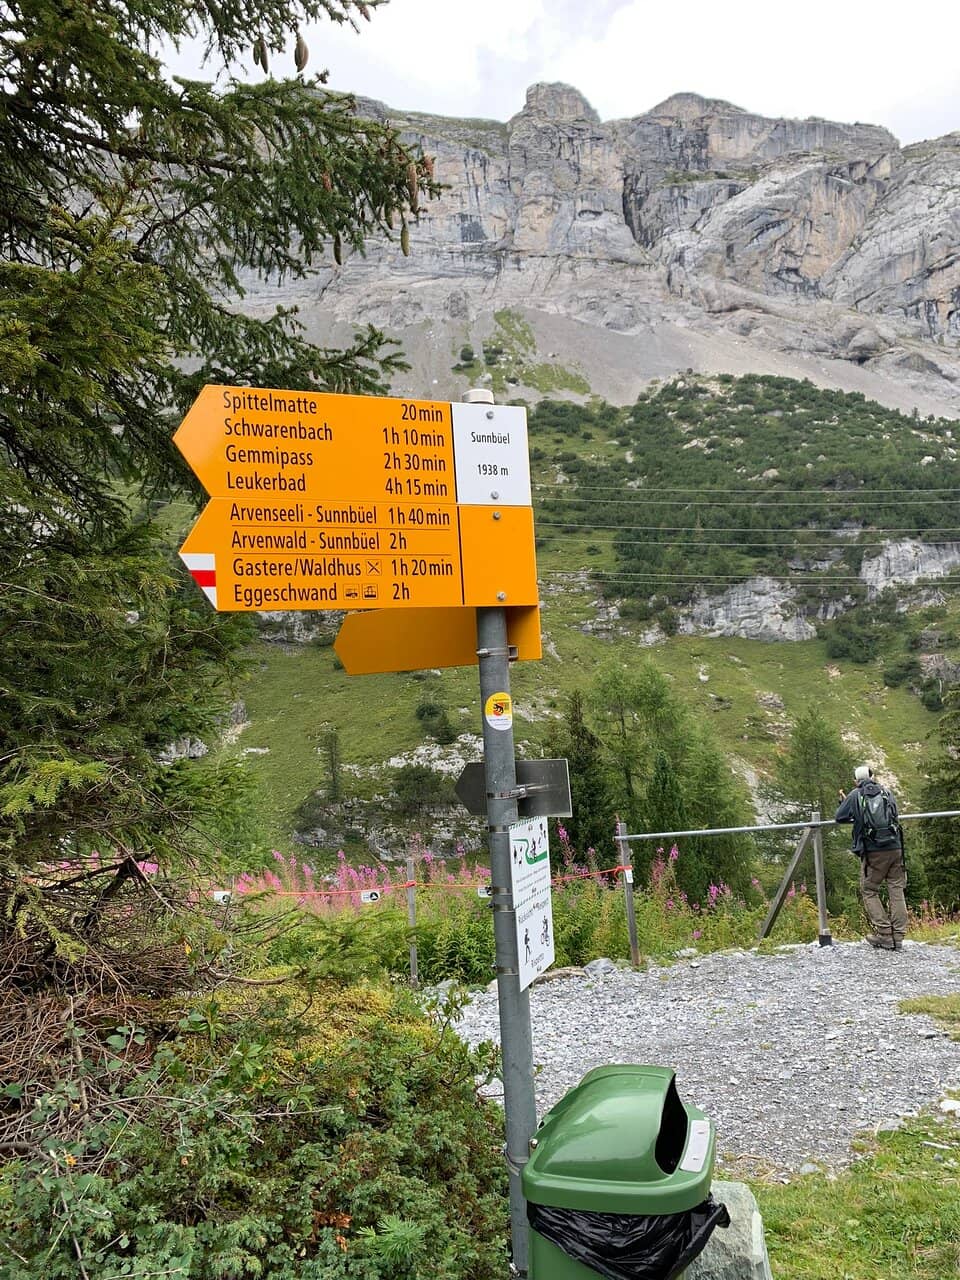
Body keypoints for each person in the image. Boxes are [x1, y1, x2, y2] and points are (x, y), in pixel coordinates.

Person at [835, 764, 907, 951]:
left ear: (855, 781)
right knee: (896, 889)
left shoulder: (854, 795)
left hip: (874, 851)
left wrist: (844, 803)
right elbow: (895, 815)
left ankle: (884, 934)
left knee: (869, 890)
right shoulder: (886, 792)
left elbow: (840, 817)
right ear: (873, 776)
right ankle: (898, 936)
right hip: (896, 847)